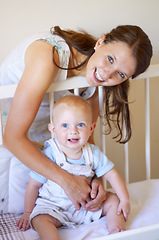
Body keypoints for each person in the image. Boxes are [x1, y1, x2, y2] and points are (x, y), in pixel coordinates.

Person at [1, 25, 152, 211]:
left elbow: (87, 138)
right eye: (110, 59)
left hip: (47, 149)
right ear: (100, 42)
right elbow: (12, 138)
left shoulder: (92, 83)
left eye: (121, 74)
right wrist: (67, 181)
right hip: (11, 145)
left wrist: (96, 178)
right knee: (20, 214)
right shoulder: (47, 57)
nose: (107, 74)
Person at [17, 95, 130, 239]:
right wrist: (28, 212)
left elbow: (112, 175)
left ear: (91, 128)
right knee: (40, 219)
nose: (73, 131)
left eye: (81, 125)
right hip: (54, 208)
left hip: (86, 208)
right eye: (65, 125)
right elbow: (33, 185)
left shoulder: (93, 153)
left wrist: (125, 200)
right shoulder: (51, 153)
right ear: (53, 129)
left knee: (114, 200)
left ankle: (116, 229)